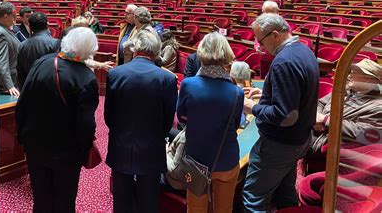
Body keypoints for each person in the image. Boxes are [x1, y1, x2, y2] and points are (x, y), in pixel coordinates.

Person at [16, 27, 99, 213]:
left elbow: (22, 102)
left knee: (41, 195)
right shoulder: (86, 78)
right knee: (65, 198)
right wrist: (84, 149)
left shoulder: (41, 62)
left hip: (35, 143)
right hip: (67, 150)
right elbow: (85, 125)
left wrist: (22, 135)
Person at [242, 13, 319, 212]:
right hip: (299, 140)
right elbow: (297, 94)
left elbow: (286, 117)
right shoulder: (303, 50)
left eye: (261, 40)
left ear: (275, 35)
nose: (259, 46)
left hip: (279, 144)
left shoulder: (284, 62)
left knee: (254, 198)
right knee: (285, 193)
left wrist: (252, 106)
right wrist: (267, 93)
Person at [105, 30, 178, 213]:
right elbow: (168, 121)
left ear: (136, 48)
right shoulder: (167, 79)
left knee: (121, 199)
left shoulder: (116, 74)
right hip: (151, 147)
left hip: (121, 145)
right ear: (156, 51)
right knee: (148, 200)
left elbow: (108, 116)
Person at [177, 32, 243, 212]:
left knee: (196, 209)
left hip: (197, 159)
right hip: (226, 159)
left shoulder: (188, 85)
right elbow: (235, 124)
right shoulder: (237, 91)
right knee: (224, 209)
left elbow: (182, 117)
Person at [311, 59, 382, 153]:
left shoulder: (378, 106)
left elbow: (364, 133)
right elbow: (320, 103)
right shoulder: (347, 89)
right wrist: (316, 117)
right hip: (313, 128)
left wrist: (325, 121)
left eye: (354, 73)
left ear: (367, 79)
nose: (349, 75)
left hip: (325, 141)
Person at [16, 12, 58, 88]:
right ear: (47, 25)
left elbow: (20, 73)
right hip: (50, 88)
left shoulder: (21, 46)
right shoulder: (56, 43)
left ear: (30, 27)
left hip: (29, 88)